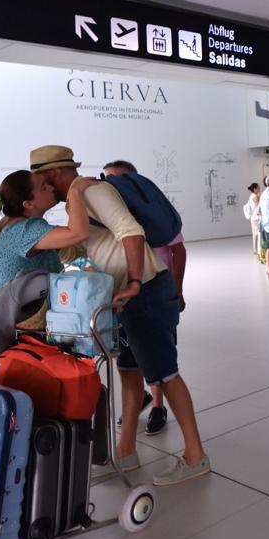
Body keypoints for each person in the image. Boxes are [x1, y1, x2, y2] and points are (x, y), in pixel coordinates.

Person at [31, 145, 208, 486]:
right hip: (121, 299)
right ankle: (125, 451)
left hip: (145, 293)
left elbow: (131, 231)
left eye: (39, 182)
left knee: (165, 375)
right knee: (128, 372)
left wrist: (136, 281)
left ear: (52, 175)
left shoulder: (95, 191)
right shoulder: (77, 200)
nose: (39, 190)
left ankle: (196, 456)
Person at [0, 170, 91, 379]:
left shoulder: (7, 224)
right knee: (3, 387)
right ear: (28, 204)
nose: (52, 188)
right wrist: (76, 191)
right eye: (44, 187)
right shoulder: (27, 229)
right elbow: (78, 232)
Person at [103, 160, 184, 436]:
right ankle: (140, 400)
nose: (113, 186)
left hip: (155, 291)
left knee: (158, 358)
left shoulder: (153, 216)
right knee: (127, 356)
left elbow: (178, 251)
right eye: (109, 179)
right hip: (126, 298)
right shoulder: (112, 216)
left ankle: (158, 406)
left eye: (119, 180)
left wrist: (178, 289)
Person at [243, 182, 263, 263]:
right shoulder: (255, 196)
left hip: (253, 217)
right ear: (254, 189)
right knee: (258, 234)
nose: (259, 189)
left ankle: (255, 249)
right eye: (258, 187)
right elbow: (260, 206)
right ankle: (258, 249)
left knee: (255, 234)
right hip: (256, 218)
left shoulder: (251, 196)